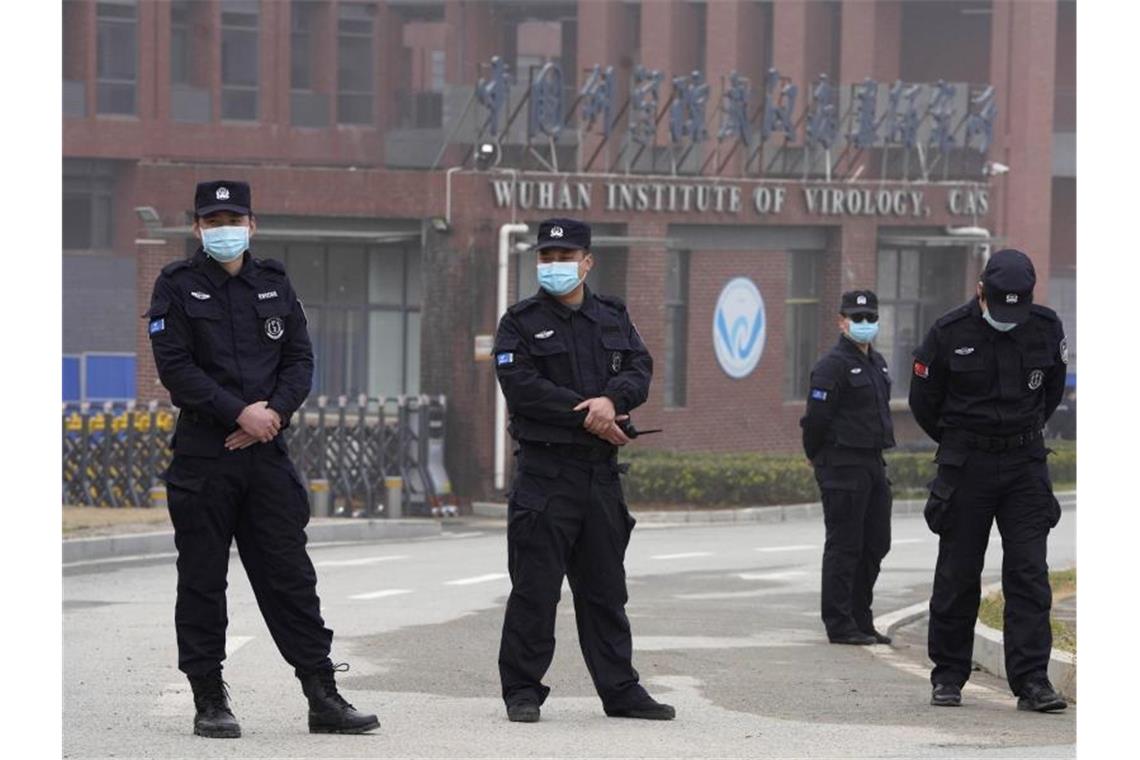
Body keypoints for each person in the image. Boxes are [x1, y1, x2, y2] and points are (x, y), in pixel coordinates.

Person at [146, 180, 379, 738]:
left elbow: (299, 358)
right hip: (206, 454)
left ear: (252, 224)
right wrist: (238, 414)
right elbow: (175, 368)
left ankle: (322, 694)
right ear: (197, 227)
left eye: (234, 218)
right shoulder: (175, 286)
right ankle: (208, 698)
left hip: (266, 454)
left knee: (290, 577)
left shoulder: (274, 283)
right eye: (212, 220)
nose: (223, 228)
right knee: (202, 581)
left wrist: (270, 415)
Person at [492, 217, 675, 723]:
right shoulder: (519, 322)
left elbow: (640, 369)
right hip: (545, 475)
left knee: (605, 590)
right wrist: (591, 413)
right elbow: (522, 387)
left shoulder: (613, 316)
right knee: (536, 589)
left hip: (599, 477)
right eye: (546, 258)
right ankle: (522, 691)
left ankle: (620, 690)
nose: (554, 266)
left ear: (588, 261)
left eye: (565, 257)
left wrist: (610, 400)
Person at [909, 248, 1068, 712]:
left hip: (1024, 465)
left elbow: (1051, 390)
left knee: (1029, 574)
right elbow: (925, 402)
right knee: (958, 572)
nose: (1008, 317)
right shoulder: (948, 332)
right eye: (999, 306)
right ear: (981, 291)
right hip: (968, 465)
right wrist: (963, 440)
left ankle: (1032, 681)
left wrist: (1019, 433)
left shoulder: (1045, 326)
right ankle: (949, 675)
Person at [800, 290, 895, 646]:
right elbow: (816, 419)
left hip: (872, 461)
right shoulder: (832, 365)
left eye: (871, 318)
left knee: (876, 543)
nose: (865, 324)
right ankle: (840, 623)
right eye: (858, 319)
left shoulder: (877, 362)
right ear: (842, 321)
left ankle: (861, 618)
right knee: (845, 545)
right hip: (842, 464)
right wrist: (816, 455)